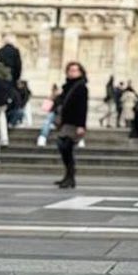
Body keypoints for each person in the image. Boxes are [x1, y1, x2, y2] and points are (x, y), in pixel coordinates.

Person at [52, 61, 88, 189]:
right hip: (66, 122)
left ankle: (70, 177)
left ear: (80, 72)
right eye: (70, 70)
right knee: (64, 149)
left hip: (74, 123)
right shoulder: (67, 86)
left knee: (66, 147)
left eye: (75, 70)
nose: (72, 72)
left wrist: (81, 126)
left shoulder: (81, 87)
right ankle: (68, 176)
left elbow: (83, 108)